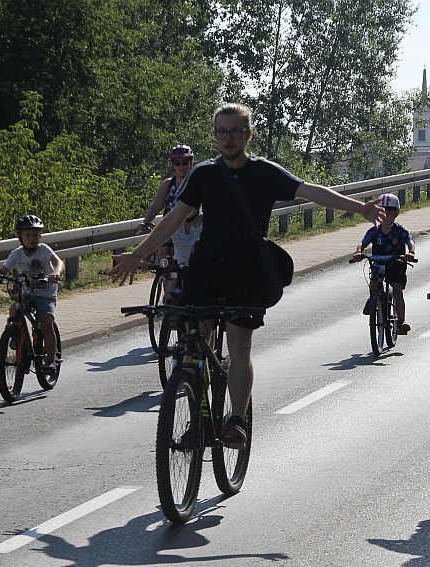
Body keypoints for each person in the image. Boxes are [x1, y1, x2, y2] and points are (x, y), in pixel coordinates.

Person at [108, 102, 383, 447]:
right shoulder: (204, 174)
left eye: (235, 131)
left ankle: (236, 419)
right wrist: (137, 256)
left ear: (248, 134)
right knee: (194, 346)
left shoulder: (264, 172)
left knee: (239, 343)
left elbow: (310, 191)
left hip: (247, 272)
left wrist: (360, 208)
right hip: (206, 269)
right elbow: (175, 218)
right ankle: (199, 417)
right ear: (215, 135)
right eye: (221, 131)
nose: (228, 138)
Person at [0, 214, 64, 374]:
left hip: (45, 293)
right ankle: (15, 336)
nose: (32, 238)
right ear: (20, 237)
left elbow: (58, 262)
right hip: (27, 292)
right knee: (15, 310)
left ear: (40, 236)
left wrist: (56, 272)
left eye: (35, 234)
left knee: (46, 321)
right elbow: (3, 270)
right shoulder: (16, 254)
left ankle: (51, 360)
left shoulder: (43, 250)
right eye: (28, 234)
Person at [351, 193, 416, 333]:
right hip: (379, 262)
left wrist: (411, 252)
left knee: (398, 291)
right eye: (382, 212)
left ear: (396, 213)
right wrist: (358, 252)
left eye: (389, 212)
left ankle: (401, 322)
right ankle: (372, 299)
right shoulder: (375, 231)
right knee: (374, 279)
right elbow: (363, 243)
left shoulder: (400, 231)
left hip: (396, 263)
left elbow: (410, 240)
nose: (386, 216)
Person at [138, 144, 196, 258]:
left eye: (185, 162)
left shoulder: (196, 183)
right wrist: (145, 222)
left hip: (190, 231)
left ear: (191, 163)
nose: (181, 166)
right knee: (160, 264)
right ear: (173, 165)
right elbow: (156, 204)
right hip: (169, 229)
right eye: (177, 163)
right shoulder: (168, 184)